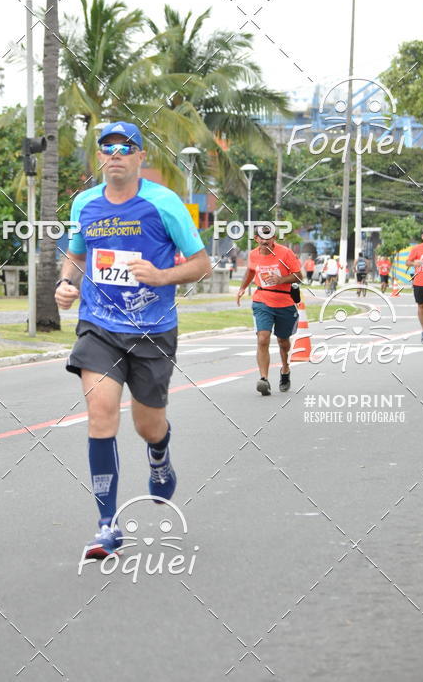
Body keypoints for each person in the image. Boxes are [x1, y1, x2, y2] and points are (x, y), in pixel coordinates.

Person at [55, 121, 211, 559]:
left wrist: (162, 276)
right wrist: (66, 283)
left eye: (126, 147)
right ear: (100, 157)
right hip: (99, 326)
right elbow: (76, 251)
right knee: (101, 414)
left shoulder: (165, 204)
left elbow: (202, 264)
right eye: (107, 146)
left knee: (147, 425)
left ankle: (159, 453)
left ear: (141, 157)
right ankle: (107, 525)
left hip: (152, 329)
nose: (116, 153)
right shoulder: (85, 203)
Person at [236, 226, 302, 396]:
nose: (265, 241)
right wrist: (242, 288)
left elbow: (299, 275)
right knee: (263, 338)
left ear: (273, 238)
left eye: (269, 238)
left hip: (284, 301)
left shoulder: (285, 253)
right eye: (262, 238)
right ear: (256, 238)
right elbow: (250, 271)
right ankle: (263, 379)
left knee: (283, 342)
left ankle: (285, 369)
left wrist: (281, 279)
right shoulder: (253, 254)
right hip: (262, 300)